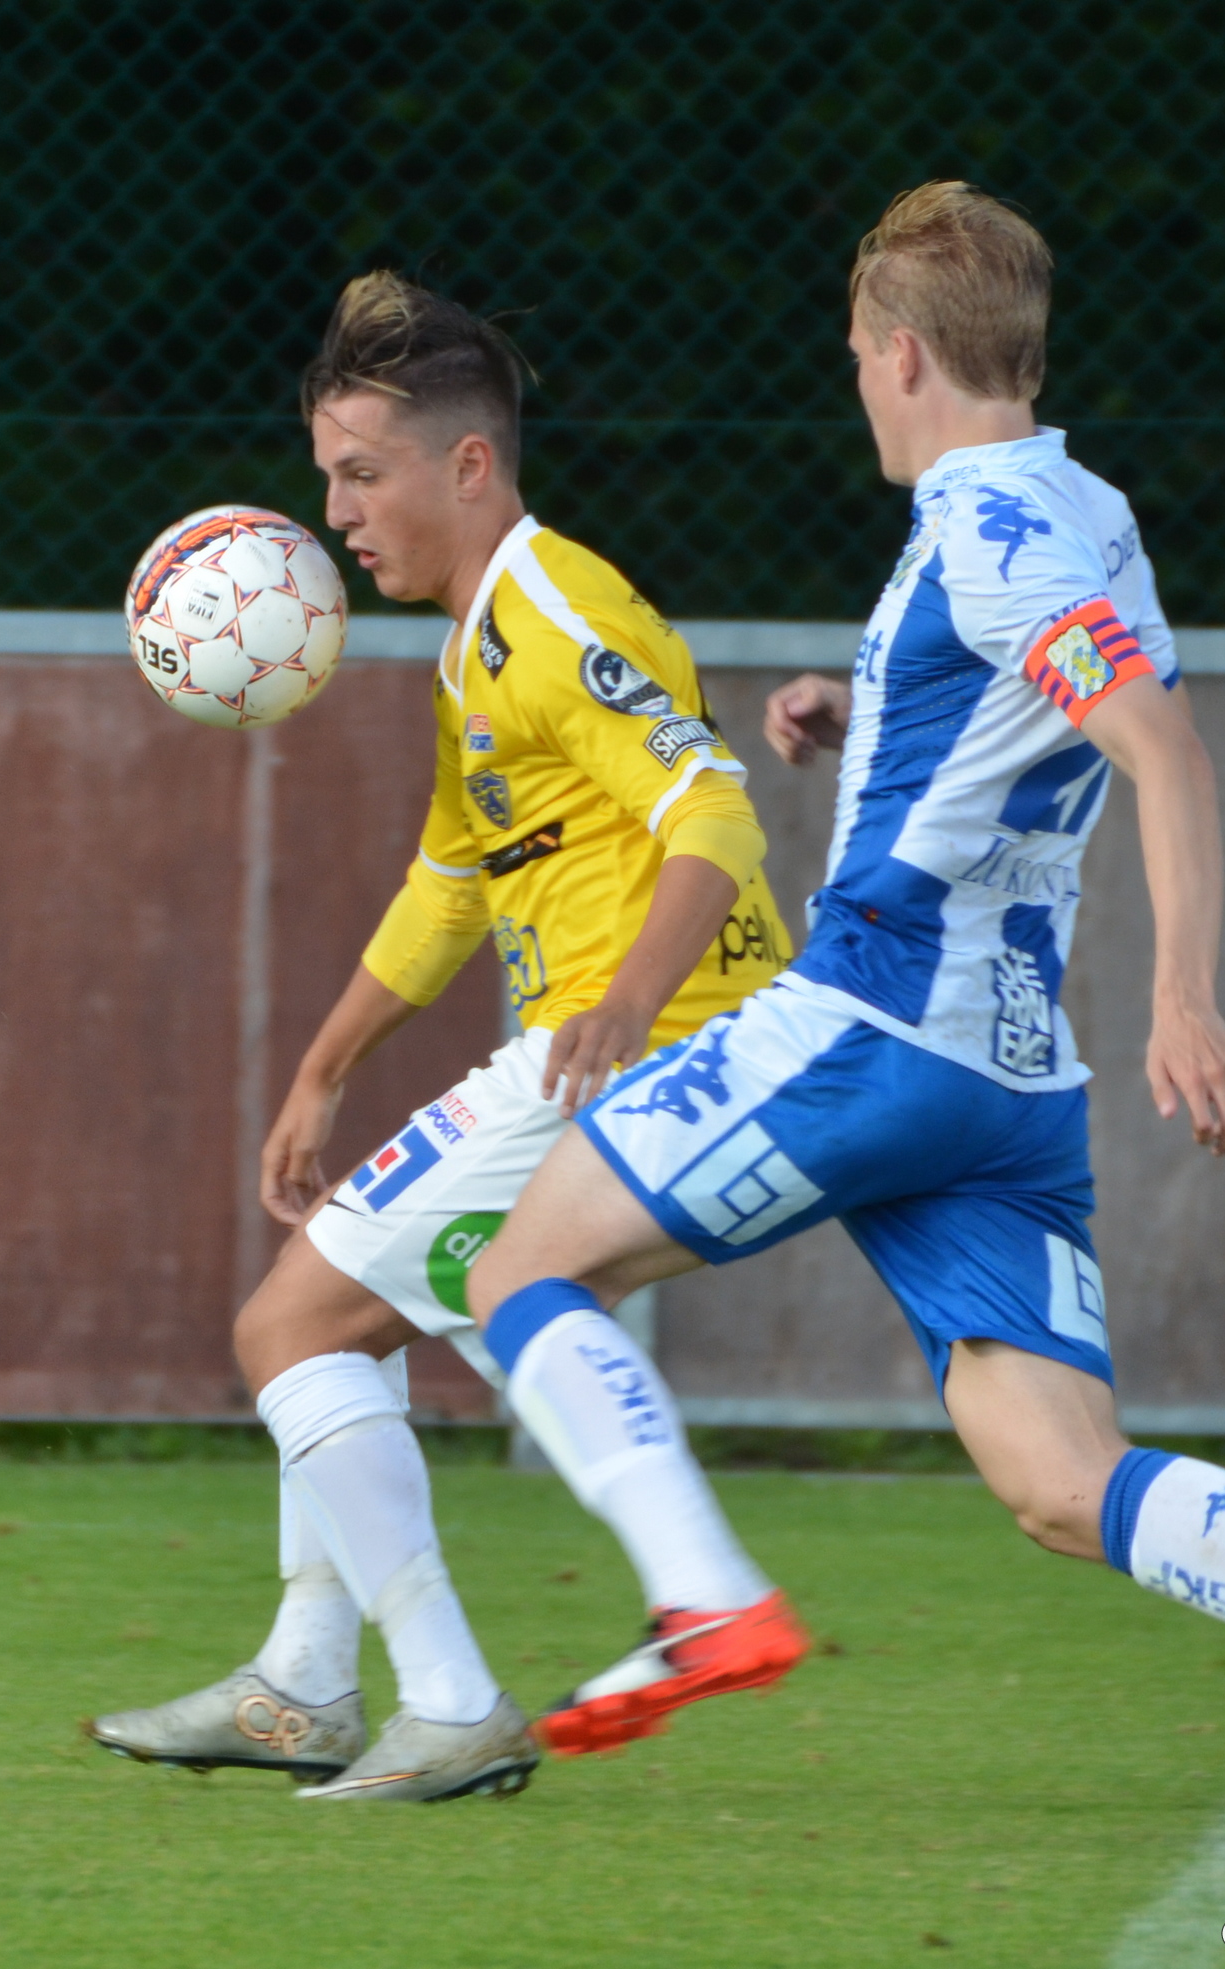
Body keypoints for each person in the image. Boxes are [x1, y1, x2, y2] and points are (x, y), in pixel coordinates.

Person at [464, 184, 1225, 1854]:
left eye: (858, 360)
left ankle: (704, 1594)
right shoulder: (1082, 506)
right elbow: (1043, 708)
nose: (857, 387)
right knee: (1055, 1478)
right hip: (1010, 1081)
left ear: (898, 354)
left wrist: (1185, 991)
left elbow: (1157, 743)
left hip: (876, 1020)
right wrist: (851, 704)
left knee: (517, 1267)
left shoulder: (981, 531)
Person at [89, 273, 802, 1802]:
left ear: (466, 465)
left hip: (641, 1051)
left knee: (290, 1328)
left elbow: (716, 811)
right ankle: (304, 1677)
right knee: (346, 1307)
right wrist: (324, 1066)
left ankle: (450, 1700)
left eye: (361, 471)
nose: (336, 512)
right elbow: (447, 888)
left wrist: (621, 1001)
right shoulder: (475, 644)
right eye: (326, 476)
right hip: (608, 1049)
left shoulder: (550, 608)